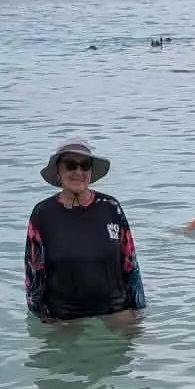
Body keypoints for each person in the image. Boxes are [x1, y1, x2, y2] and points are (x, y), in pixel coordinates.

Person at [25, 138, 146, 324]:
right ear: (58, 172)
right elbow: (33, 275)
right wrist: (44, 321)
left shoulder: (111, 207)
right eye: (71, 165)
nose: (78, 172)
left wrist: (138, 312)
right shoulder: (42, 214)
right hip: (64, 321)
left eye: (84, 166)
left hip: (117, 314)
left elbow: (131, 266)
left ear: (91, 172)